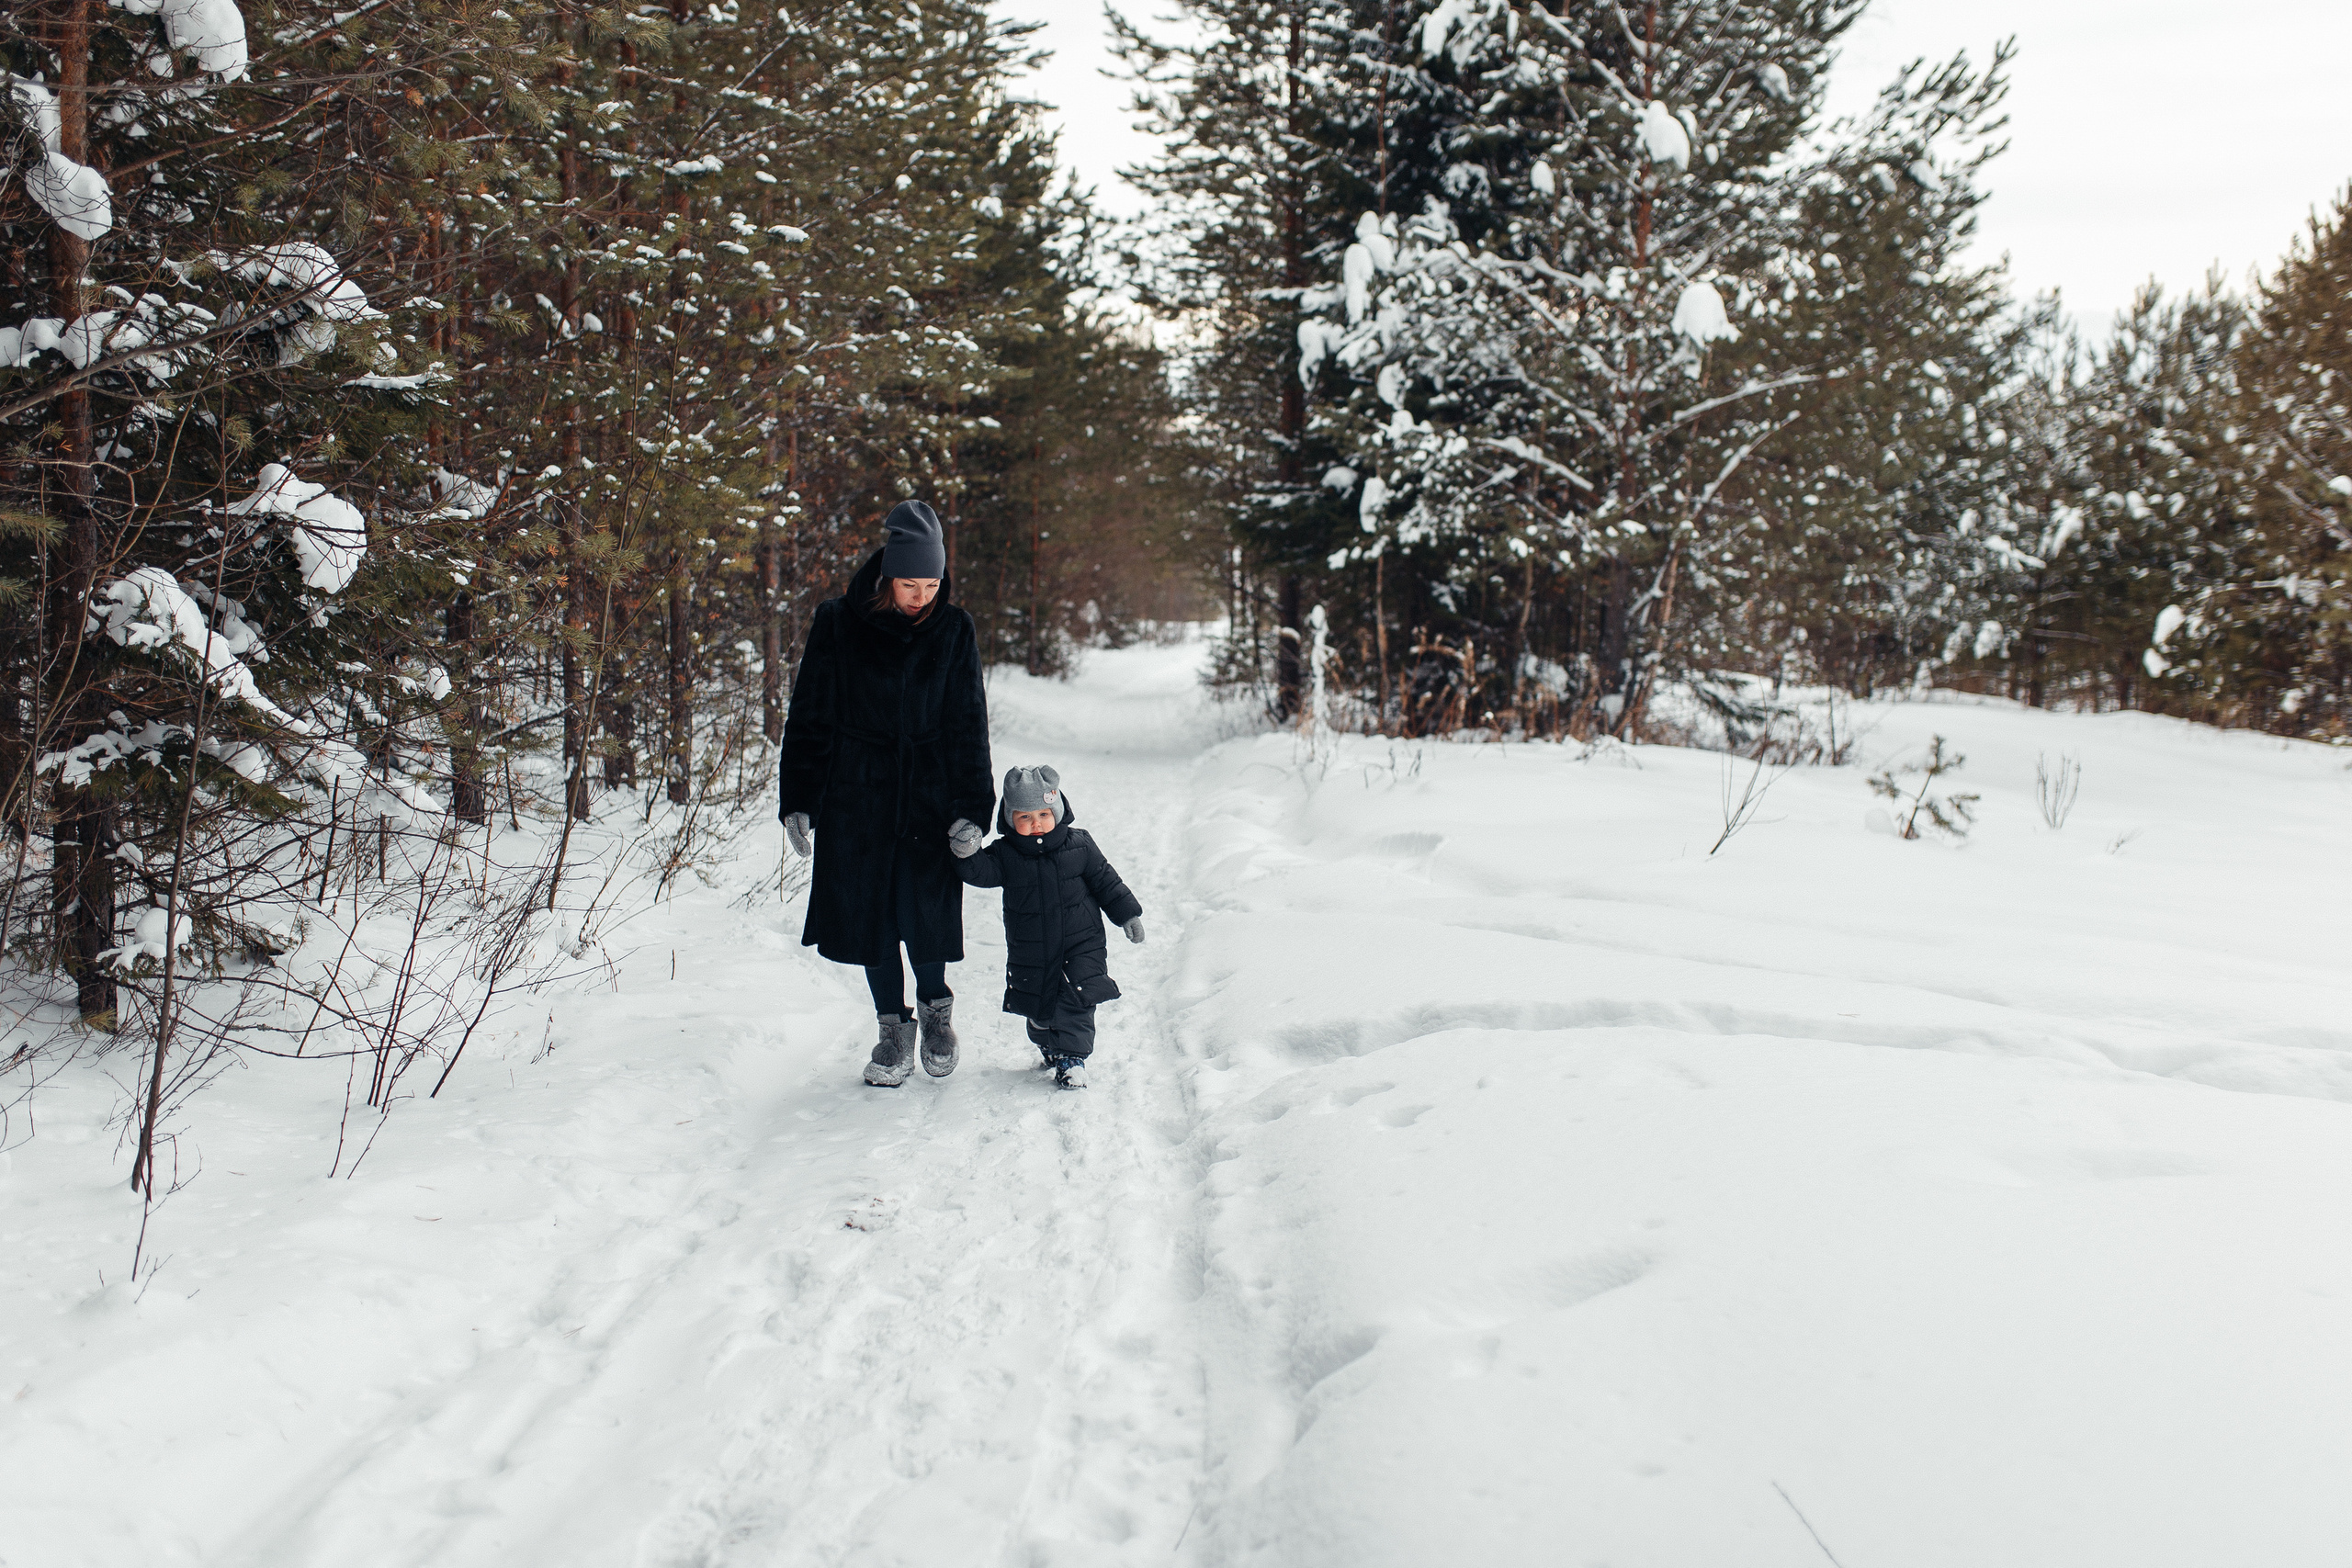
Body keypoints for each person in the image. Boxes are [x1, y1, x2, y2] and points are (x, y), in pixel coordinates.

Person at [779, 500, 994, 1088]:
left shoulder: (954, 630)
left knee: (923, 917)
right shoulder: (837, 622)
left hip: (930, 797)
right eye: (910, 583)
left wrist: (974, 811)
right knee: (870, 920)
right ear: (886, 577)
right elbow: (810, 717)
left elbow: (968, 725)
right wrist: (800, 798)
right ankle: (892, 1030)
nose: (922, 595)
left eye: (931, 583)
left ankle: (935, 1009)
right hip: (857, 797)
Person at [950, 764, 1144, 1090]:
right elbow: (981, 872)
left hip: (1082, 942)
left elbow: (1106, 881)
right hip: (1032, 947)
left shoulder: (1080, 845)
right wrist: (966, 853)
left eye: (1043, 814)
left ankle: (1072, 1058)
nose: (1036, 823)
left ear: (1058, 810)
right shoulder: (1006, 854)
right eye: (1025, 817)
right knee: (1039, 1004)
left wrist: (1128, 914)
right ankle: (1048, 1042)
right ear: (1010, 820)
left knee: (1078, 997)